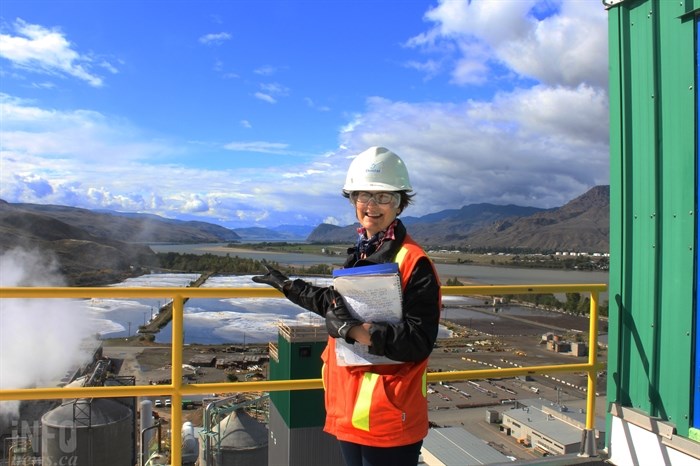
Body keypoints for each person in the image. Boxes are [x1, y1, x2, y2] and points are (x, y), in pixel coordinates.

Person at [252, 146, 441, 466]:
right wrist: (290, 287)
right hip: (350, 410)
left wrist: (353, 330)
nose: (373, 205)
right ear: (353, 200)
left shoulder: (413, 263)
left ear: (400, 204)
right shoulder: (363, 253)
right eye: (364, 195)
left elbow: (417, 340)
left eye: (385, 197)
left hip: (389, 417)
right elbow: (338, 304)